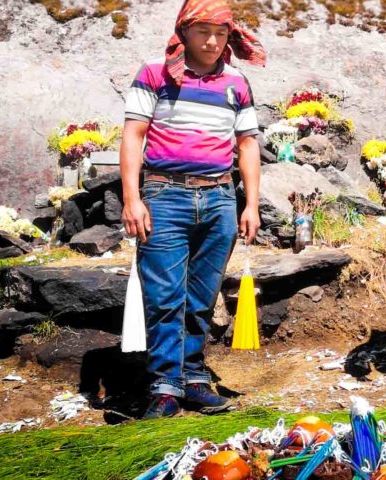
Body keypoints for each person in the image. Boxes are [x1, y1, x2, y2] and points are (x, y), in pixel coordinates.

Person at [120, 0, 265, 419]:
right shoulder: (155, 73)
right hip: (166, 196)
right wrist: (133, 198)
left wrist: (250, 204)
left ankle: (194, 377)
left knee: (202, 294)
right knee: (164, 295)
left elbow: (247, 144)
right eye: (204, 31)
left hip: (219, 198)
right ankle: (165, 386)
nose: (213, 40)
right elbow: (134, 135)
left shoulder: (236, 81)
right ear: (183, 31)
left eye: (221, 33)